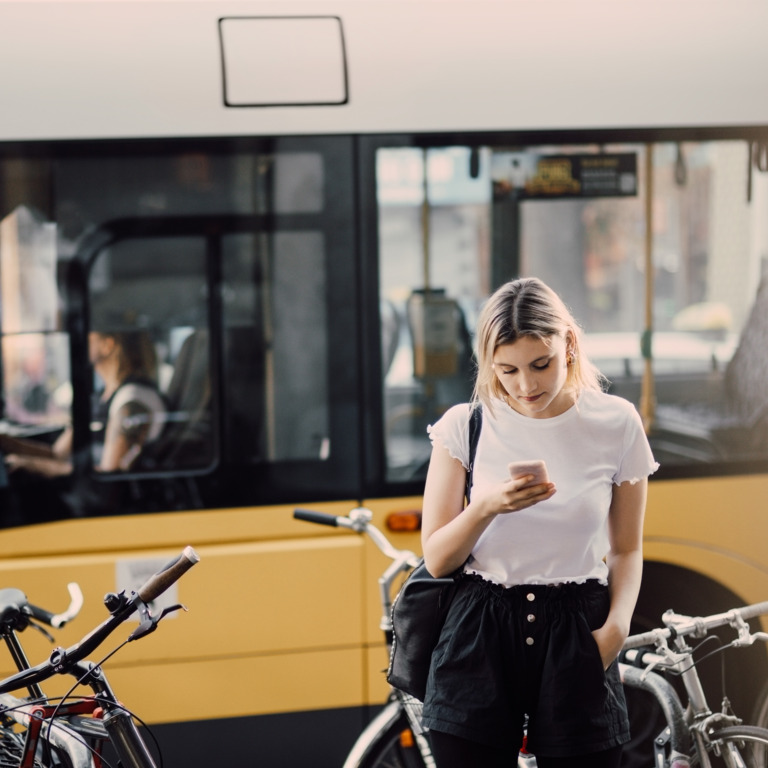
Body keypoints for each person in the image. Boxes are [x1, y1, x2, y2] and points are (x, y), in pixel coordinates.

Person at [420, 277, 658, 768]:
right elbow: (438, 557)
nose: (526, 386)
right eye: (506, 370)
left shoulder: (616, 423)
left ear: (568, 345)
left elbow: (627, 549)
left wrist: (616, 629)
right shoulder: (464, 427)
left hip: (577, 623)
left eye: (540, 364)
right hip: (479, 629)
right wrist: (488, 505)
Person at [1, 329, 166, 477]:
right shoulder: (100, 397)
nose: (81, 337)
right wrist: (8, 443)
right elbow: (58, 455)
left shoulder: (132, 399)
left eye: (89, 333)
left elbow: (109, 479)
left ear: (107, 345)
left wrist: (33, 465)